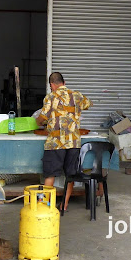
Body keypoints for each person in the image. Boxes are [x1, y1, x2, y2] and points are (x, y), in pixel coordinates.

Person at [36, 72, 92, 211]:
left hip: (55, 142)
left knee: (50, 173)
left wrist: (36, 122)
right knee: (70, 174)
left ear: (51, 85)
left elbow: (43, 117)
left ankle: (45, 206)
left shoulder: (50, 97)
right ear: (64, 82)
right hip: (73, 142)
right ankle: (64, 205)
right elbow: (89, 104)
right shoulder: (77, 95)